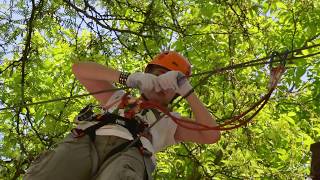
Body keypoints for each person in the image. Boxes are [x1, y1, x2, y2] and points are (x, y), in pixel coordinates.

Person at [24, 51, 220, 180]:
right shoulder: (118, 98)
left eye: (169, 83)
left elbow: (211, 135)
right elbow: (80, 70)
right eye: (157, 75)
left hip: (131, 153)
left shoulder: (170, 120)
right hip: (86, 141)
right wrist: (128, 78)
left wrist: (186, 89)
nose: (161, 84)